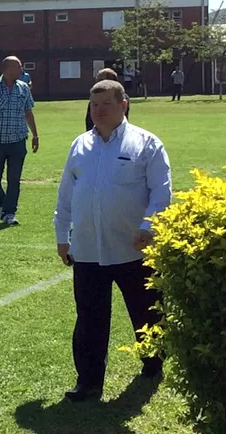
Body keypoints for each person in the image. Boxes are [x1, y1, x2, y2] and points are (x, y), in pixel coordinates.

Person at [54, 79, 172, 402]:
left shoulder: (146, 144)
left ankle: (153, 363)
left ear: (124, 105)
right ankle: (88, 381)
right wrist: (62, 235)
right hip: (88, 250)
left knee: (145, 312)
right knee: (89, 318)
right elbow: (66, 195)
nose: (99, 111)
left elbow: (162, 193)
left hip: (133, 250)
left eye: (106, 104)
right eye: (94, 105)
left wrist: (148, 226)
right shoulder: (80, 146)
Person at [0, 56, 39, 225]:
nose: (22, 70)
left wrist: (35, 134)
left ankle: (10, 212)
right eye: (19, 67)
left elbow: (28, 112)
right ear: (8, 69)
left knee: (14, 178)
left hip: (18, 140)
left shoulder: (23, 88)